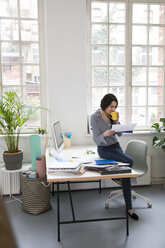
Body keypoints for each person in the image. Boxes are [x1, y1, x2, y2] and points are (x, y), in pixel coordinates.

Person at [90, 93, 139, 220]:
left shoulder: (113, 115)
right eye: (111, 106)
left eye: (115, 107)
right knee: (130, 162)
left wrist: (117, 123)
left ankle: (129, 207)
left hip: (116, 146)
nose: (113, 109)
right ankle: (128, 204)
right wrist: (106, 134)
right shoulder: (94, 117)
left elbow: (120, 135)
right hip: (104, 149)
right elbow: (96, 140)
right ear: (105, 105)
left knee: (126, 172)